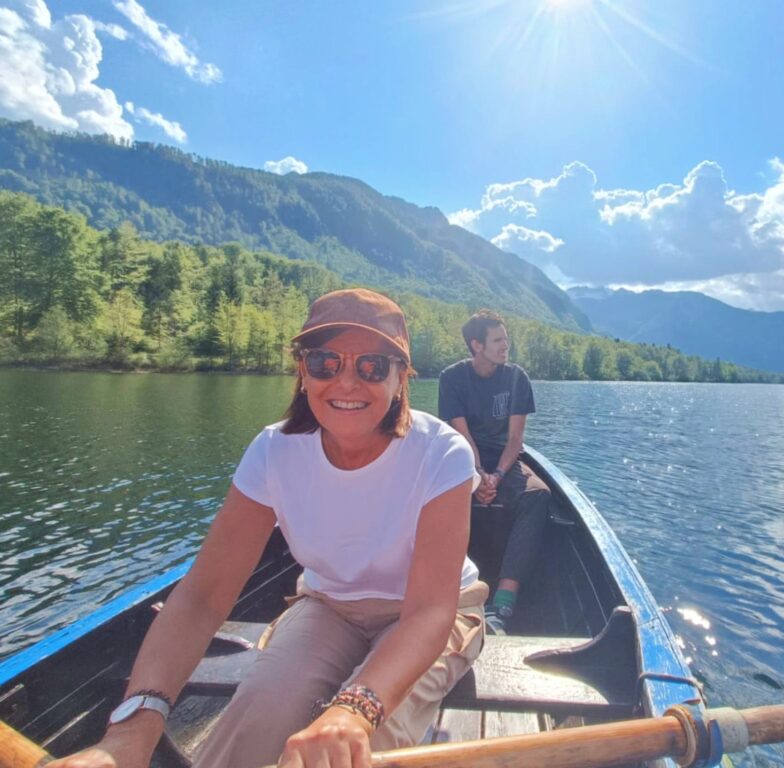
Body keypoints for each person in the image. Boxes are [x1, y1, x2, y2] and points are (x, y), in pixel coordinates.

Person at [50, 288, 485, 768]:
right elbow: (202, 596)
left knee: (353, 750)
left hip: (430, 615)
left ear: (402, 377)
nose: (346, 382)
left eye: (371, 367)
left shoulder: (440, 453)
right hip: (329, 606)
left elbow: (428, 611)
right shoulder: (273, 451)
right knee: (257, 719)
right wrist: (130, 732)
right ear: (302, 370)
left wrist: (353, 710)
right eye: (325, 362)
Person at [437, 310, 550, 635]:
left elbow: (516, 440)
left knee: (538, 495)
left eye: (506, 339)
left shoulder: (517, 378)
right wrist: (476, 476)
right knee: (434, 495)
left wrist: (496, 476)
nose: (505, 346)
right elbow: (461, 436)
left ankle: (502, 603)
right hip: (462, 456)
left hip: (505, 459)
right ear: (476, 345)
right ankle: (450, 591)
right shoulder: (452, 378)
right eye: (498, 340)